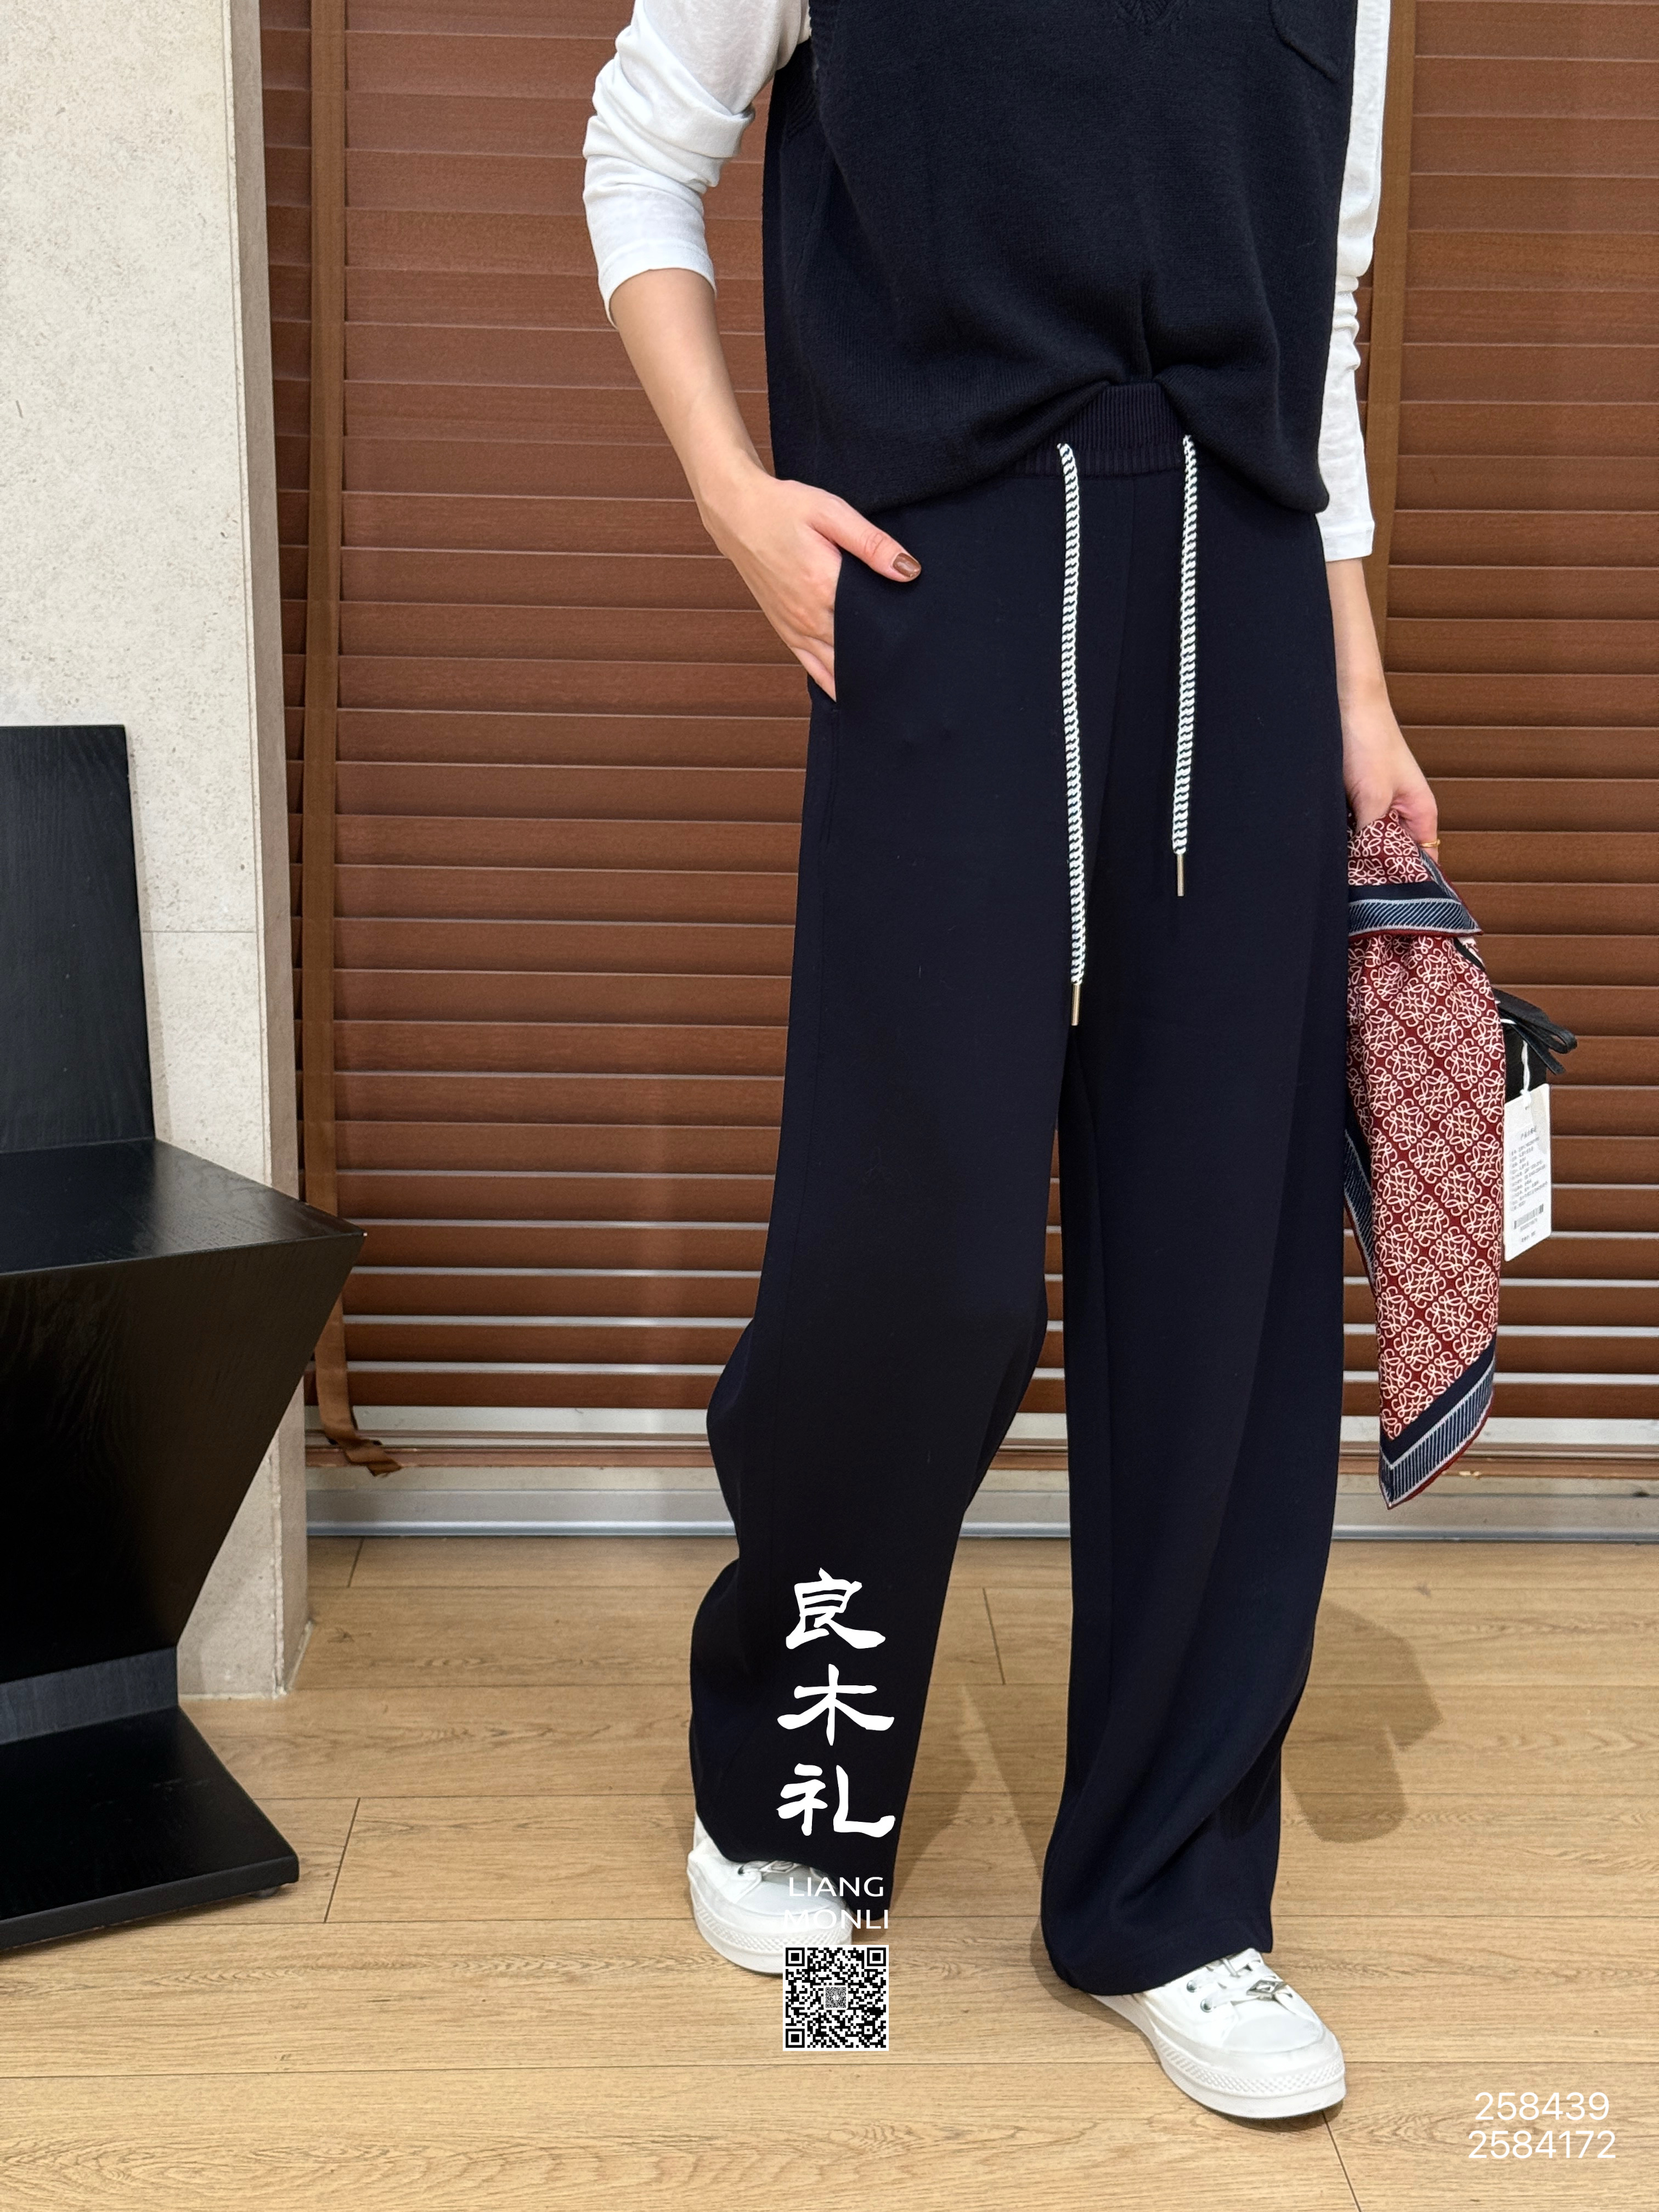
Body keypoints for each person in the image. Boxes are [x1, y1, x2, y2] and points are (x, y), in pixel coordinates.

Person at [583, 0, 1436, 2120]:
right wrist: (731, 497)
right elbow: (641, 146)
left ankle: (1172, 1899)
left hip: (1243, 602)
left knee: (1221, 1275)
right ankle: (798, 1805)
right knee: (917, 1259)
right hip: (943, 584)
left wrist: (1356, 691)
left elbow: (1314, 313)